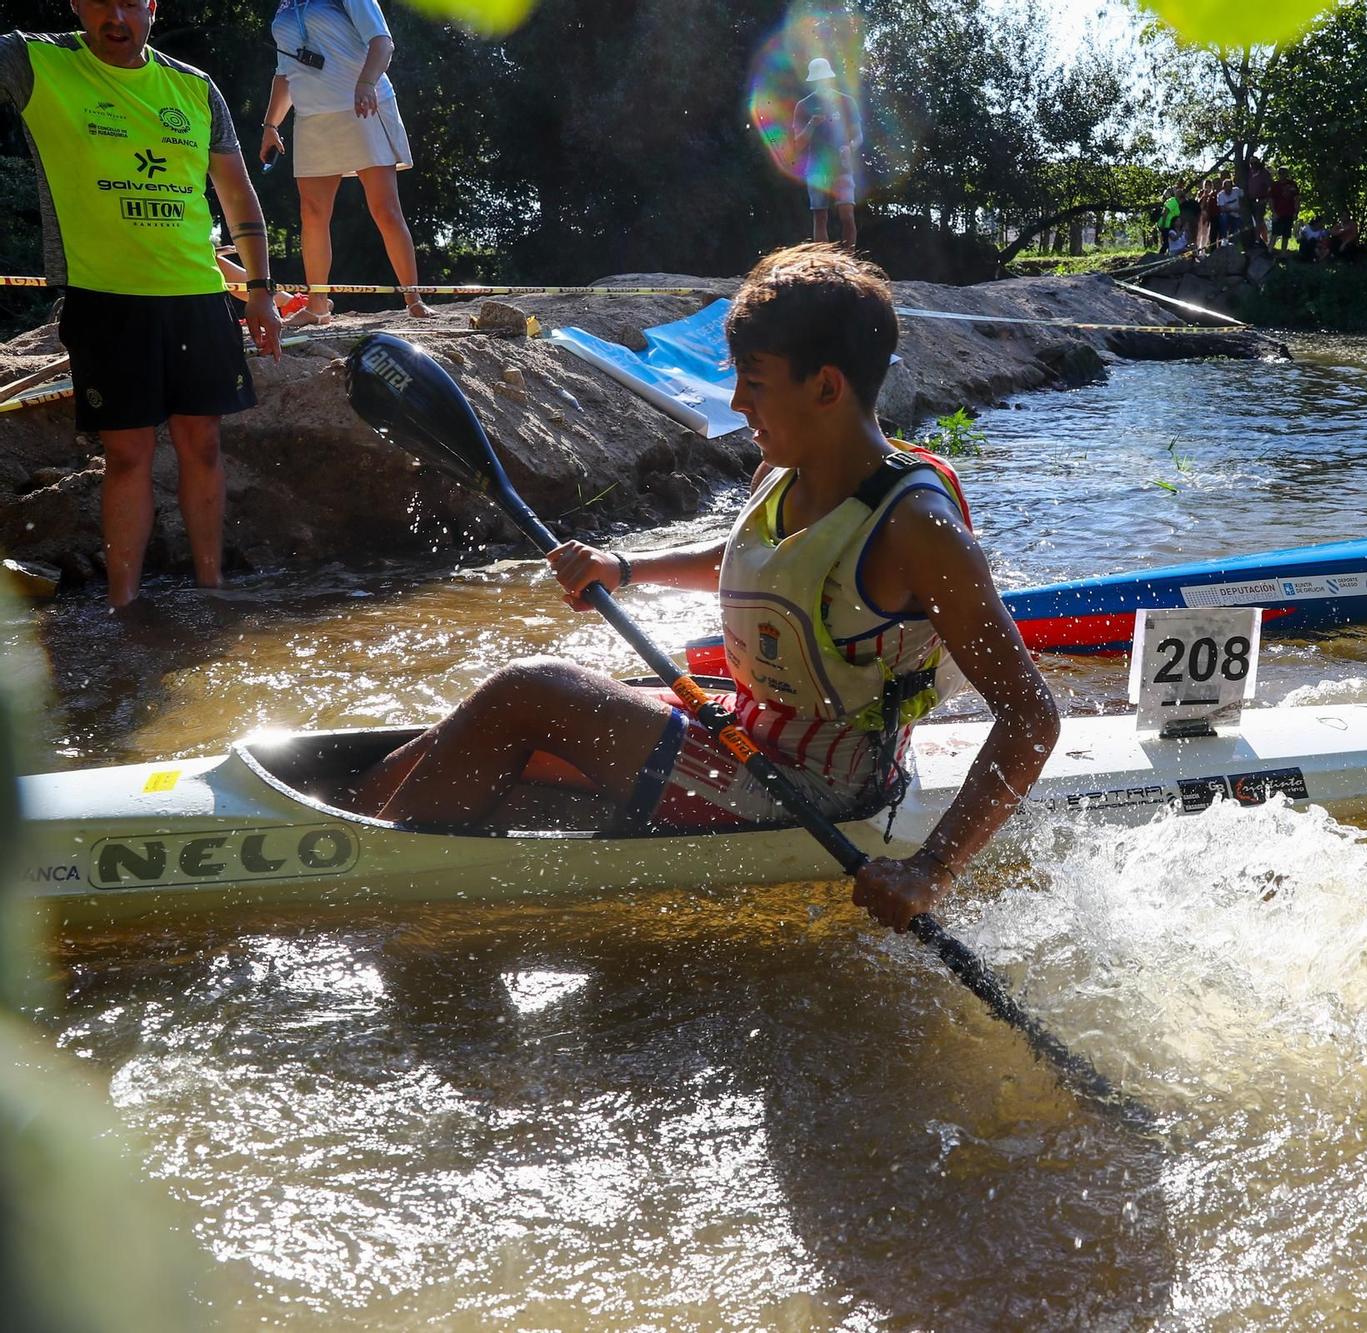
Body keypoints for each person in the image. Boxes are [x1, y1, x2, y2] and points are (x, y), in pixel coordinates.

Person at [351, 245, 1061, 932]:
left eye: (754, 382)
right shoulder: (782, 474)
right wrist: (622, 568)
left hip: (814, 788)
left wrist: (930, 870)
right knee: (493, 726)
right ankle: (353, 817)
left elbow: (1032, 717)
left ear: (825, 387)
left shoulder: (918, 527)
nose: (734, 401)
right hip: (748, 727)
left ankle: (371, 886)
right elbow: (760, 560)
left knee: (529, 690)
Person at [2, 1, 283, 609]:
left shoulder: (193, 87)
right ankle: (122, 606)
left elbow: (237, 196)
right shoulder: (34, 61)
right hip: (106, 299)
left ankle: (212, 588)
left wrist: (260, 292)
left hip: (198, 297)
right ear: (78, 3)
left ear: (152, 7)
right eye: (101, 0)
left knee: (202, 442)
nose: (116, 15)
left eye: (130, 1)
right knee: (127, 455)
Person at [259, 0, 432, 322]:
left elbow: (382, 42)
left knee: (385, 209)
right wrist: (271, 126)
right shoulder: (283, 6)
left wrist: (366, 83)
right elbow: (285, 73)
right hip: (312, 117)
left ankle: (414, 299)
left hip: (362, 105)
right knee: (311, 213)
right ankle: (317, 306)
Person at [791, 56, 861, 247]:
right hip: (816, 167)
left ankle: (849, 260)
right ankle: (825, 261)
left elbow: (858, 135)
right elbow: (798, 143)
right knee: (820, 215)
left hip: (842, 165)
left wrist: (850, 147)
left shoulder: (846, 102)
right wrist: (811, 125)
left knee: (847, 214)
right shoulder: (803, 105)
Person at [1269, 169, 1300, 252]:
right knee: (1274, 234)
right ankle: (1269, 252)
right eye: (1281, 174)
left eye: (1284, 173)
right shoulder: (1275, 185)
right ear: (1278, 174)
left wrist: (1296, 212)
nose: (1282, 175)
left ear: (1287, 174)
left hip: (1289, 213)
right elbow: (1271, 200)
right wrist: (1274, 212)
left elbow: (1296, 199)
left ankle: (1283, 254)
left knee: (1286, 235)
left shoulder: (1292, 184)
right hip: (1278, 213)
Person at [1215, 176, 1242, 244]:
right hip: (1228, 215)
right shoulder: (1220, 195)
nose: (1228, 188)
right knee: (1223, 217)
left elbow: (1245, 196)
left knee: (1237, 225)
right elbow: (1222, 209)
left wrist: (1238, 208)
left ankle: (1232, 242)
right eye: (1226, 187)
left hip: (1237, 215)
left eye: (1230, 186)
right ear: (1223, 188)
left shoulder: (1236, 191)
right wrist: (1234, 209)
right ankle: (1224, 238)